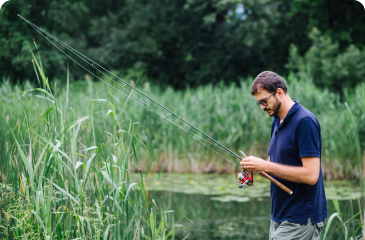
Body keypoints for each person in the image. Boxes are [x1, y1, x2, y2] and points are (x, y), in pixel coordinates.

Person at [240, 71, 327, 240]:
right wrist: (253, 167)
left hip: (301, 218)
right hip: (279, 216)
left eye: (264, 101)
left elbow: (311, 175)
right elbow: (274, 166)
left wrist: (265, 165)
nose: (262, 107)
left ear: (279, 92)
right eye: (259, 104)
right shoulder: (277, 121)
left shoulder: (304, 121)